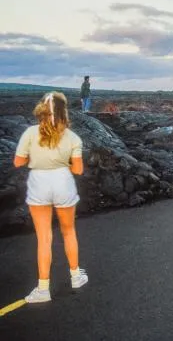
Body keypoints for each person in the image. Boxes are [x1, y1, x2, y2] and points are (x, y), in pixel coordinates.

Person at [13, 92, 88, 303]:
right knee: (68, 231)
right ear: (64, 112)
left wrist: (35, 157)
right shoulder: (73, 138)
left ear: (42, 110)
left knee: (44, 238)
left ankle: (43, 289)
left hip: (39, 183)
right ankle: (76, 276)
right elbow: (78, 170)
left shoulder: (29, 133)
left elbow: (18, 162)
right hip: (63, 182)